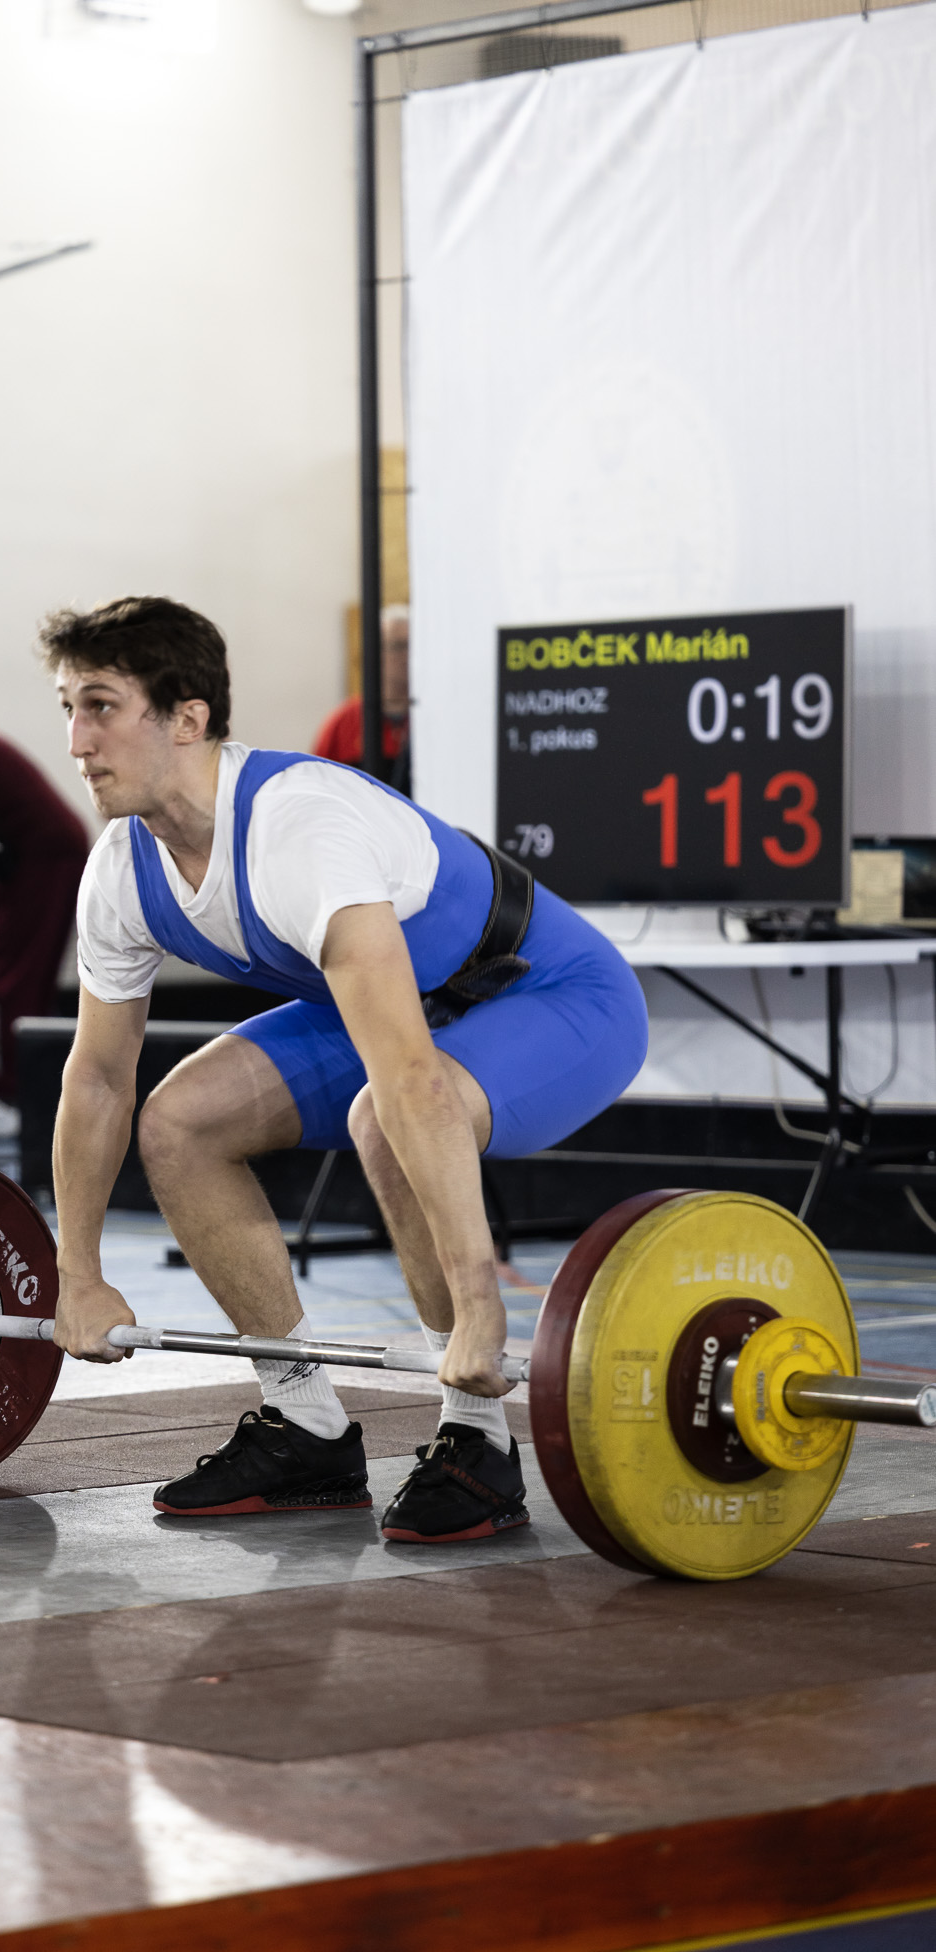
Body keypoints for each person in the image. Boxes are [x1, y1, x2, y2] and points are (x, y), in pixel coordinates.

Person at [44, 597, 648, 1545]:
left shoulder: (297, 828)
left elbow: (406, 1078)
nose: (77, 741)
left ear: (187, 717)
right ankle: (306, 1428)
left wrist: (478, 1306)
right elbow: (97, 1079)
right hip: (403, 1012)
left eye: (101, 707)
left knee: (384, 1115)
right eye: (69, 710)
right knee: (179, 1121)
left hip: (553, 999)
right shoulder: (122, 868)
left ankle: (478, 1438)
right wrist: (76, 1272)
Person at [0, 718, 89, 1141]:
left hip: (42, 857)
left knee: (14, 981)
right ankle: (31, 1096)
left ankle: (9, 1100)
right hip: (40, 855)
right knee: (26, 981)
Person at [312, 605, 410, 792]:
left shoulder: (434, 720)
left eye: (412, 646)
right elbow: (318, 786)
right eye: (398, 646)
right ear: (375, 653)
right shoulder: (344, 723)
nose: (407, 656)